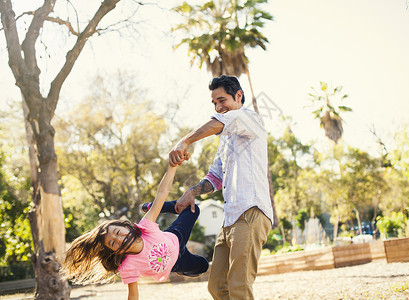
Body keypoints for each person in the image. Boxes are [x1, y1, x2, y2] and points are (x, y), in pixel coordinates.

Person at [169, 75, 273, 300]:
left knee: (239, 287)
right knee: (217, 287)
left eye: (222, 100)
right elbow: (215, 177)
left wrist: (184, 141)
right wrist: (191, 192)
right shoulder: (226, 140)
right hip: (230, 219)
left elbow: (218, 123)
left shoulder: (249, 118)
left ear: (238, 96)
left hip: (251, 212)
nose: (218, 107)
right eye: (214, 103)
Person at [62, 155, 209, 300]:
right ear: (113, 251)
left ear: (126, 226)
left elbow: (162, 193)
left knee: (192, 208)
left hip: (176, 236)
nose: (119, 239)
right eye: (113, 243)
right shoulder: (128, 266)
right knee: (203, 266)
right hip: (177, 264)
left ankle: (153, 207)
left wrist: (172, 167)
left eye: (118, 233)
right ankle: (186, 268)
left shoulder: (145, 227)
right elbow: (133, 295)